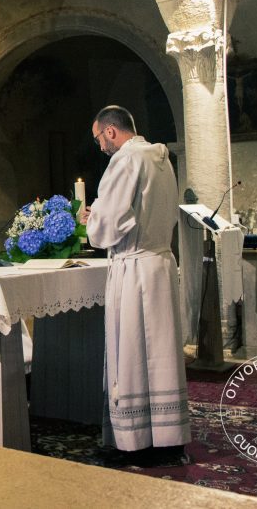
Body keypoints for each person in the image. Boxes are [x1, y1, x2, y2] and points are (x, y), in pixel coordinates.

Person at [81, 105, 190, 466]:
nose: (100, 147)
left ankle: (135, 443)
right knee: (161, 354)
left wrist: (91, 219)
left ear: (110, 131)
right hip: (160, 264)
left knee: (132, 353)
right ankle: (168, 439)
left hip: (135, 268)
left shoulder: (125, 160)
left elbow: (109, 226)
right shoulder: (161, 158)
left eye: (99, 138)